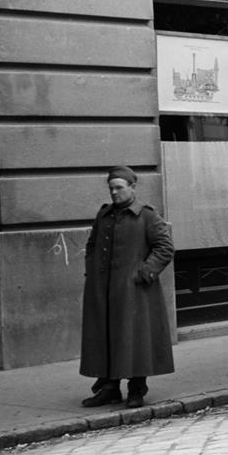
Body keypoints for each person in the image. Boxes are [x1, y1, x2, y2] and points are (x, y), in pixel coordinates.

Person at [80, 165, 175, 408]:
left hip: (135, 291)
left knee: (134, 340)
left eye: (119, 188)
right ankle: (109, 389)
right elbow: (92, 245)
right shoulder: (103, 216)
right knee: (106, 337)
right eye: (111, 188)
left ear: (132, 188)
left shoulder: (147, 216)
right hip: (103, 291)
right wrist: (92, 274)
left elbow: (165, 248)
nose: (114, 193)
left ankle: (136, 390)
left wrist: (144, 272)